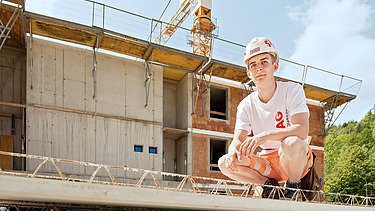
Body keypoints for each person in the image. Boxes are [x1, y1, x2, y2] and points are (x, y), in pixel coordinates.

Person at [218, 37, 313, 199]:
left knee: (292, 142)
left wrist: (264, 136)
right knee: (224, 162)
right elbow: (238, 140)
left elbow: (302, 130)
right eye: (253, 65)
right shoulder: (245, 105)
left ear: (275, 65)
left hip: (293, 161)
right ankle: (269, 186)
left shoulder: (292, 90)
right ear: (248, 72)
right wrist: (234, 151)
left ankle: (292, 189)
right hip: (267, 165)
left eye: (264, 62)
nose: (259, 68)